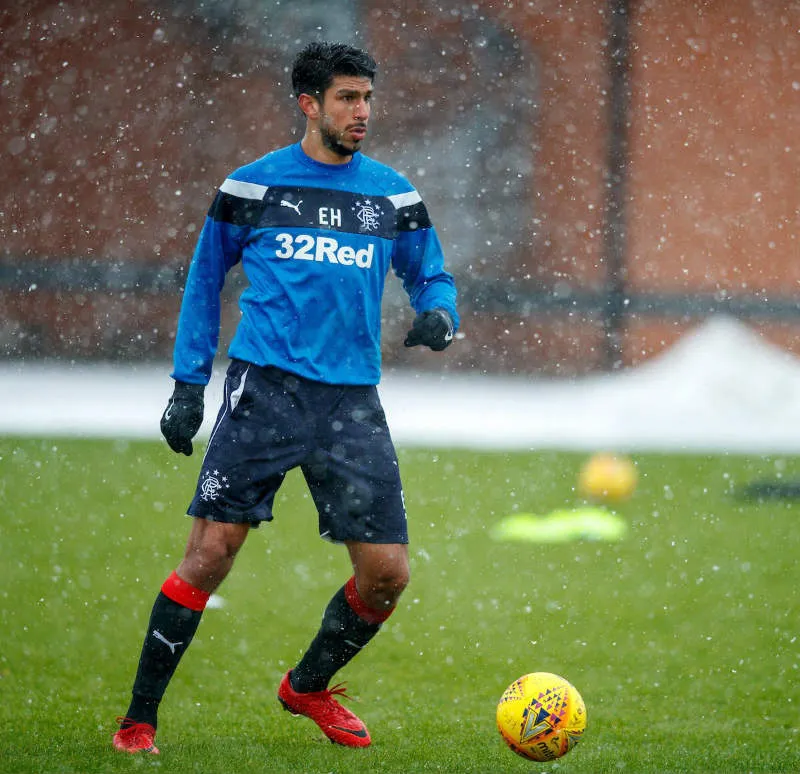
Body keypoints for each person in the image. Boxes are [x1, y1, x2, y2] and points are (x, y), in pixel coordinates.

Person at [112, 41, 459, 754]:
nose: (362, 112)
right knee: (209, 557)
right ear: (308, 104)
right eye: (346, 99)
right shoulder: (251, 187)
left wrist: (440, 315)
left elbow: (433, 276)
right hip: (263, 392)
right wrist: (187, 385)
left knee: (388, 575)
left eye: (367, 97)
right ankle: (138, 720)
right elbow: (204, 280)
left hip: (351, 403)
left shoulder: (391, 194)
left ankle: (306, 687)